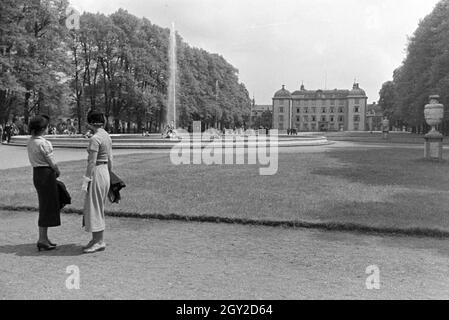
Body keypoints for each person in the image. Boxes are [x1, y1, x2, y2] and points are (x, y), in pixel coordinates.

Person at [27, 115, 61, 252]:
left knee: (44, 204)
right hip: (46, 174)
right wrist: (57, 171)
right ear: (43, 128)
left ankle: (43, 238)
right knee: (47, 206)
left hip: (37, 174)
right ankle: (42, 239)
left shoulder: (31, 141)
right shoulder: (44, 143)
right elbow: (51, 161)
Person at [82, 111, 113, 254]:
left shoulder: (95, 138)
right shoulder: (106, 136)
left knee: (94, 207)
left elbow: (92, 161)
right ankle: (96, 239)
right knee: (98, 205)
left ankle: (99, 241)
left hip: (97, 172)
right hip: (105, 171)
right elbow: (111, 158)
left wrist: (86, 179)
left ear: (90, 123)